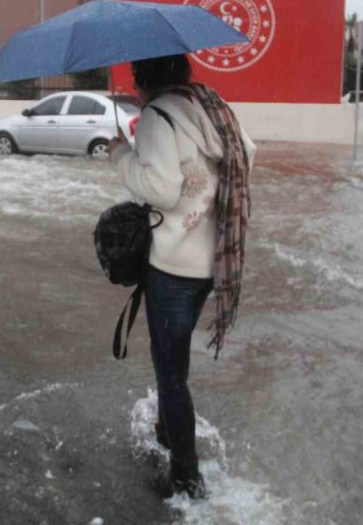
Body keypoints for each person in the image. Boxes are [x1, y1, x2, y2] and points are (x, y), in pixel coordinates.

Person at [108, 54, 255, 499]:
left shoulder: (156, 115)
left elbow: (161, 190)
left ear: (141, 80)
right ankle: (166, 430)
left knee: (171, 375)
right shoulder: (211, 103)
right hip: (214, 260)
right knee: (174, 366)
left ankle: (185, 476)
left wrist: (121, 156)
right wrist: (209, 193)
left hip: (173, 267)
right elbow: (249, 152)